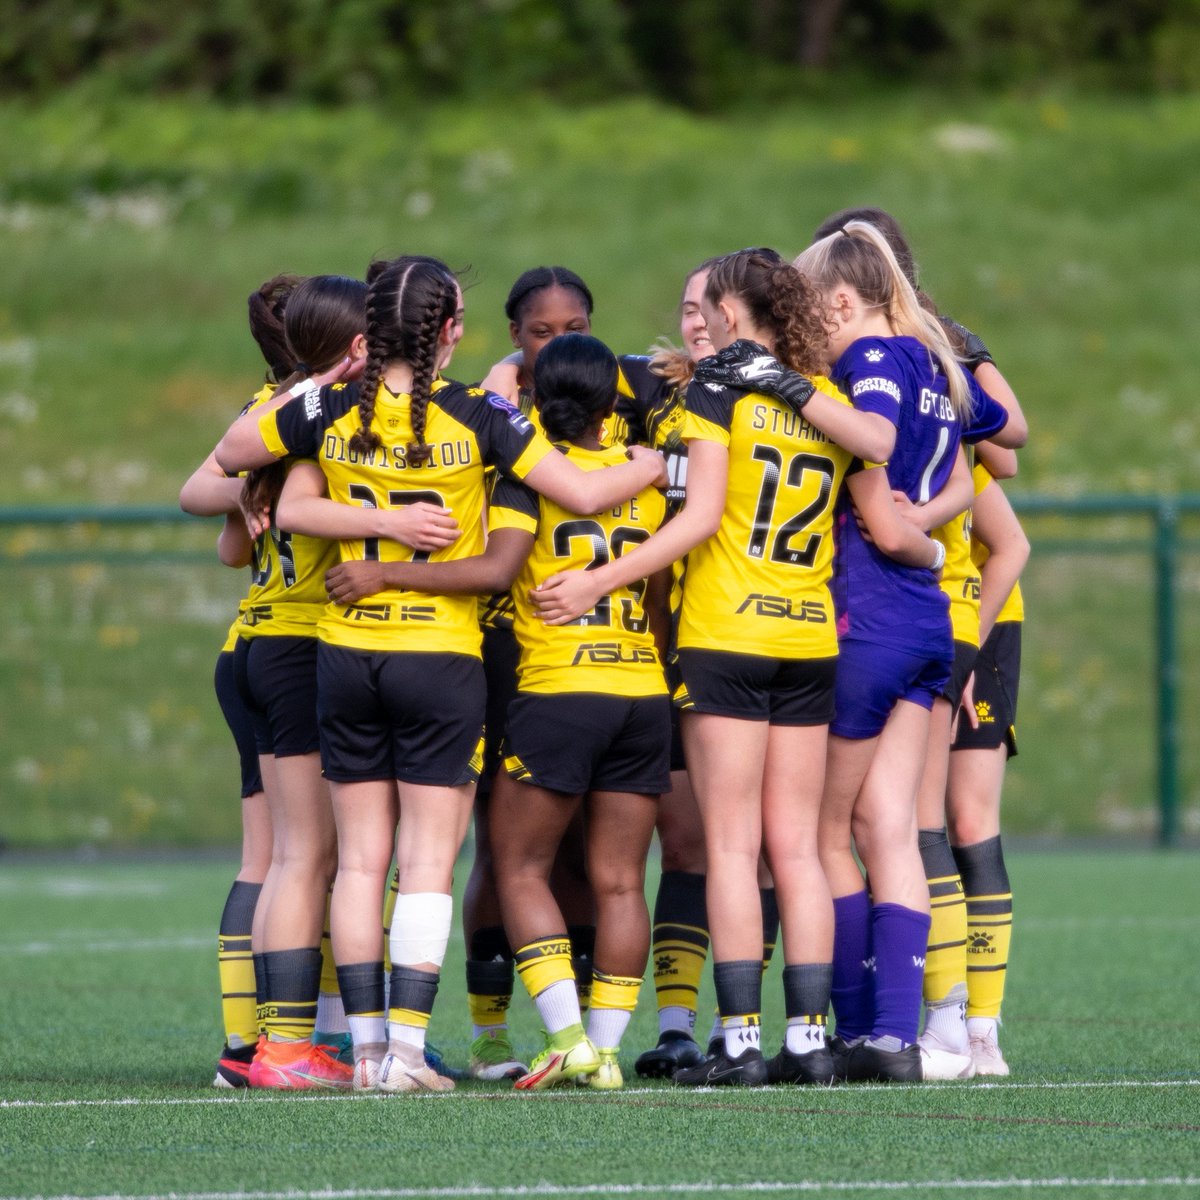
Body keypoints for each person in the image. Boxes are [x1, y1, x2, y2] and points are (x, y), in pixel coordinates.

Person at [214, 255, 667, 1094]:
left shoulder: (329, 404)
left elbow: (236, 451)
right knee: (424, 863)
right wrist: (649, 468)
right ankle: (406, 1059)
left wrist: (333, 398)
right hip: (441, 656)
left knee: (356, 863)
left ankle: (365, 1047)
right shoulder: (481, 414)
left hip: (346, 654)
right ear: (452, 329)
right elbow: (576, 487)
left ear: (372, 329)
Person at [532, 248, 901, 1087]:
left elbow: (696, 519)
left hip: (728, 632)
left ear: (734, 313)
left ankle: (738, 1041)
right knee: (799, 848)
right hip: (808, 637)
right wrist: (793, 383)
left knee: (732, 847)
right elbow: (879, 444)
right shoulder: (826, 399)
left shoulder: (716, 392)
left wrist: (599, 577)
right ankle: (807, 1042)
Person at [330, 332, 672, 1090]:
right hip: (642, 693)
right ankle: (610, 1056)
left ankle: (570, 1040)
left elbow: (497, 571)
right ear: (613, 405)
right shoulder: (643, 485)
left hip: (556, 688)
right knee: (621, 880)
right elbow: (655, 600)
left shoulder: (522, 479)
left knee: (517, 866)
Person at [791, 219, 1026, 1083]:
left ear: (843, 301)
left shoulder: (873, 367)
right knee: (889, 825)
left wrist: (912, 538)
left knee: (824, 833)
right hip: (933, 623)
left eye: (813, 312)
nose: (809, 329)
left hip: (873, 618)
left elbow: (878, 468)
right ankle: (900, 1039)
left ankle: (854, 1027)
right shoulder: (936, 363)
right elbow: (1007, 429)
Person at [179, 273, 299, 1088]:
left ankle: (242, 1043)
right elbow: (202, 494)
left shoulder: (269, 406)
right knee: (320, 858)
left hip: (247, 646)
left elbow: (222, 537)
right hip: (299, 647)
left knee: (269, 856)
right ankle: (305, 1040)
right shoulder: (313, 412)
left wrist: (249, 495)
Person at [947, 463, 1029, 1075]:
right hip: (888, 623)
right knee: (886, 826)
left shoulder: (941, 422)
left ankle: (980, 1029)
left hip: (978, 620)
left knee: (971, 822)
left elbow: (1011, 542)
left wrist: (968, 647)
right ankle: (922, 1019)